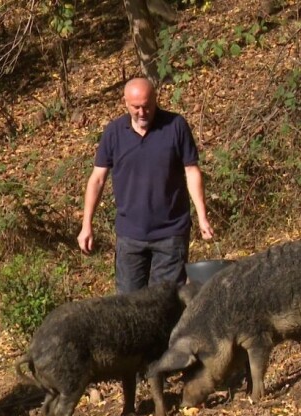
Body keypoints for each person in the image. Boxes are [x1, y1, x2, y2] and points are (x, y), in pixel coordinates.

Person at [78, 77, 214, 293]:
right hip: (130, 235)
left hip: (171, 233)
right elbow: (97, 179)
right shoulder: (114, 132)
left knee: (165, 305)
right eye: (136, 107)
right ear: (125, 103)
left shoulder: (175, 126)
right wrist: (87, 224)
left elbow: (191, 171)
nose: (142, 113)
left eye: (147, 106)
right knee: (129, 307)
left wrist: (202, 217)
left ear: (155, 100)